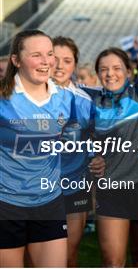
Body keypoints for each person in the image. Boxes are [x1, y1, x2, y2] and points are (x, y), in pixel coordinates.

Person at [0, 30, 99, 267]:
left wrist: (99, 155)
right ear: (16, 60)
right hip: (7, 206)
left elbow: (101, 131)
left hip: (49, 203)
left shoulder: (70, 99)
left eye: (49, 54)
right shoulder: (3, 100)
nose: (46, 62)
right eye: (36, 55)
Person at [84, 47, 138, 267]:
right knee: (112, 261)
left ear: (129, 71)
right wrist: (92, 156)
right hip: (110, 191)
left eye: (117, 68)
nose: (110, 74)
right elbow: (79, 135)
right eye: (103, 69)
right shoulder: (90, 100)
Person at [51, 36, 98, 267]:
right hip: (36, 190)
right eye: (55, 59)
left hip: (73, 187)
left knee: (68, 255)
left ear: (74, 65)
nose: (59, 66)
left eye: (66, 60)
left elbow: (95, 142)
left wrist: (97, 157)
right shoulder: (27, 98)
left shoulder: (84, 102)